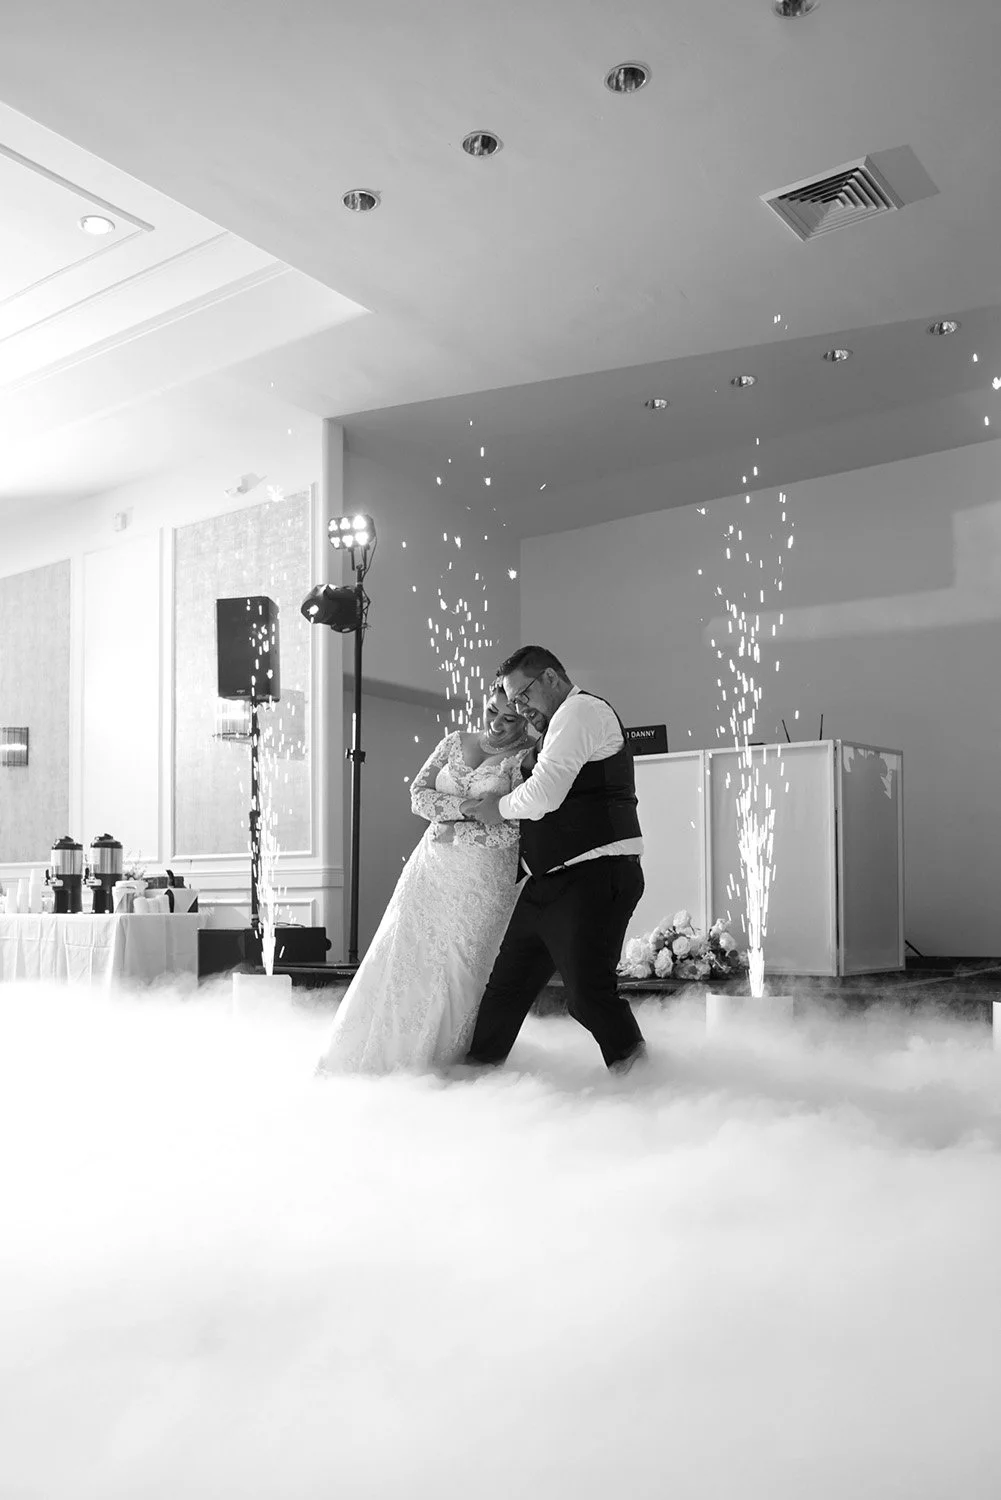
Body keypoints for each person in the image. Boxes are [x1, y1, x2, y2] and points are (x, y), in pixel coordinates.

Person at [316, 686, 534, 1074]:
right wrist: (469, 808)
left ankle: (442, 1061)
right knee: (401, 951)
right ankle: (375, 1051)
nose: (496, 724)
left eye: (510, 718)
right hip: (429, 868)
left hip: (482, 877)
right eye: (491, 712)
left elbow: (516, 828)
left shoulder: (526, 756)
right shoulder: (454, 741)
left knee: (459, 965)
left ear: (525, 718)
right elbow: (418, 796)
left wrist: (453, 825)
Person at [460, 646, 647, 1073]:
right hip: (547, 882)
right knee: (505, 990)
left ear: (549, 678)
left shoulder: (581, 711)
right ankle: (473, 1079)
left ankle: (644, 1081)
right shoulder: (554, 726)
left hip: (595, 877)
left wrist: (498, 806)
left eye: (523, 696)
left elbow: (545, 794)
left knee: (589, 997)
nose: (520, 708)